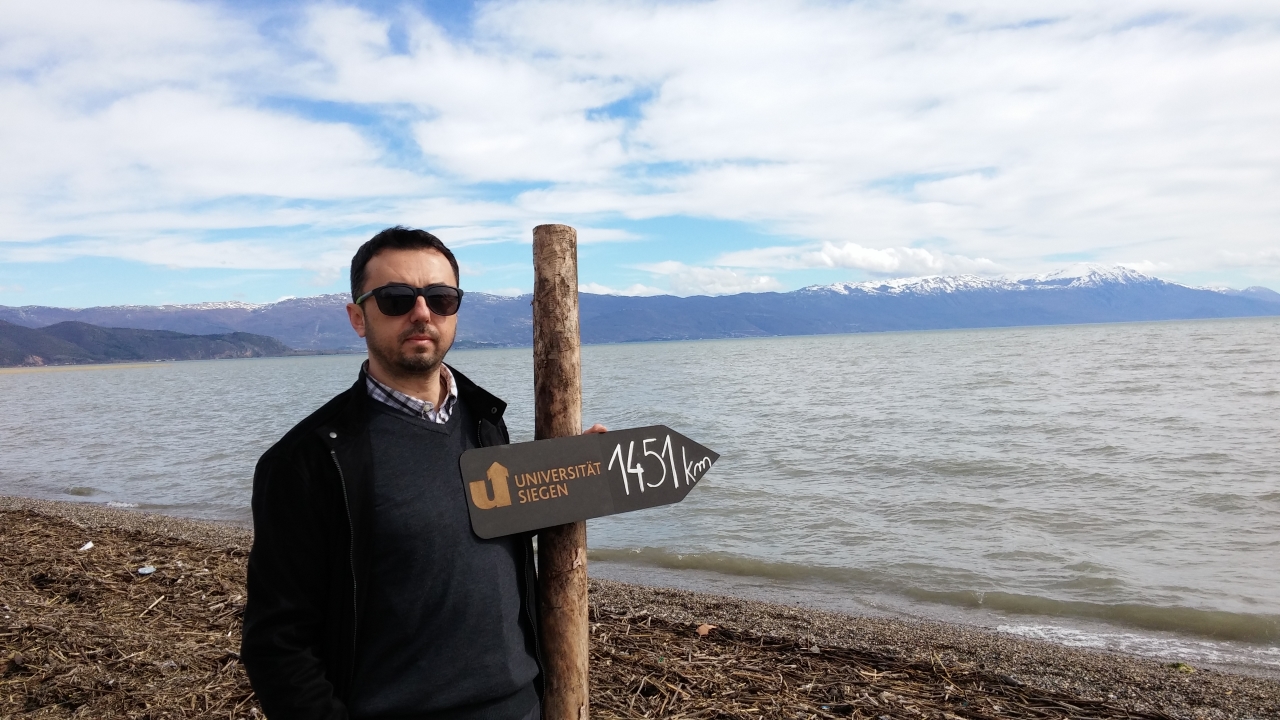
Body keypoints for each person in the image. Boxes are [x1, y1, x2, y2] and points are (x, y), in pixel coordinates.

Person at [242, 227, 602, 720]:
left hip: (524, 708)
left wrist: (569, 473)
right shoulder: (307, 460)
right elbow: (278, 645)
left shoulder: (484, 420)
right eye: (395, 299)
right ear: (357, 317)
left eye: (440, 298)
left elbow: (471, 524)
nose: (421, 313)